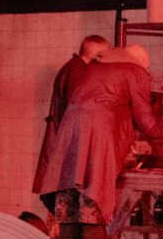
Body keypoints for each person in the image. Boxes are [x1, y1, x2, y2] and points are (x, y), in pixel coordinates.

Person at [32, 42, 159, 239]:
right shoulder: (133, 71)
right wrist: (162, 144)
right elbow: (144, 117)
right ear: (141, 63)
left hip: (69, 145)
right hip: (95, 147)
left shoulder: (93, 68)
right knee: (92, 214)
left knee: (69, 217)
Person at [35, 34, 112, 184]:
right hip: (68, 147)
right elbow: (78, 111)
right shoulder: (79, 72)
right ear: (95, 55)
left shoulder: (72, 67)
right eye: (104, 55)